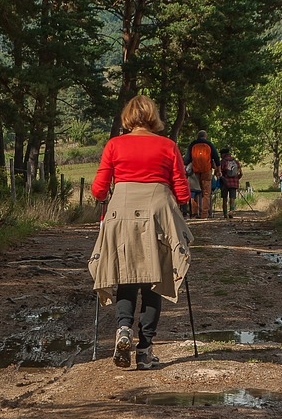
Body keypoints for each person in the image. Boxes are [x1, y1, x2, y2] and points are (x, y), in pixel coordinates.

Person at [88, 95, 194, 371]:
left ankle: (123, 329)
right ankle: (145, 350)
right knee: (153, 280)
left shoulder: (114, 145)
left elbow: (99, 190)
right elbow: (182, 193)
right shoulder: (168, 146)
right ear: (153, 117)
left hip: (121, 213)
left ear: (127, 118)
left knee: (125, 274)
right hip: (157, 214)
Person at [183, 130, 220, 218]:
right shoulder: (209, 144)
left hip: (195, 172)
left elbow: (186, 159)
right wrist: (218, 169)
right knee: (206, 193)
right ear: (205, 136)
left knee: (195, 192)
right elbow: (216, 158)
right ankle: (204, 214)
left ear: (197, 136)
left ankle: (194, 213)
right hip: (206, 171)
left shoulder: (192, 144)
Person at [218, 147, 243, 218]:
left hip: (225, 182)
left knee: (224, 198)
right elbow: (240, 173)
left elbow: (219, 172)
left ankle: (225, 214)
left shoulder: (223, 161)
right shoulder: (236, 161)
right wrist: (237, 179)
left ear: (223, 154)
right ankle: (231, 212)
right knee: (232, 198)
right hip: (234, 183)